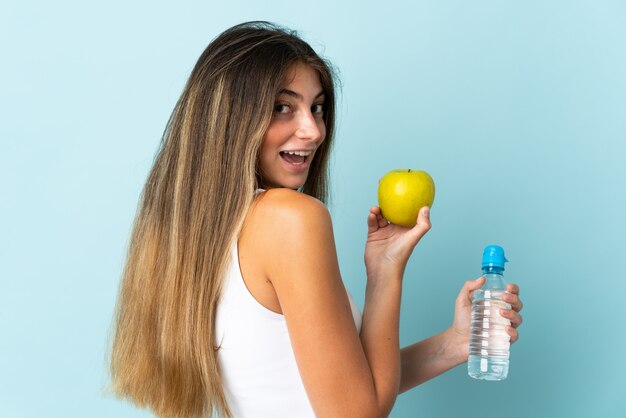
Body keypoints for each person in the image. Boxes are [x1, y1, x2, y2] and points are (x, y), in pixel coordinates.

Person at [109, 21, 524, 418]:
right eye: (282, 107)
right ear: (231, 119)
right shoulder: (290, 219)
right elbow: (357, 412)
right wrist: (383, 277)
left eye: (317, 107)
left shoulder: (202, 232)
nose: (313, 131)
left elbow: (333, 390)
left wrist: (453, 344)